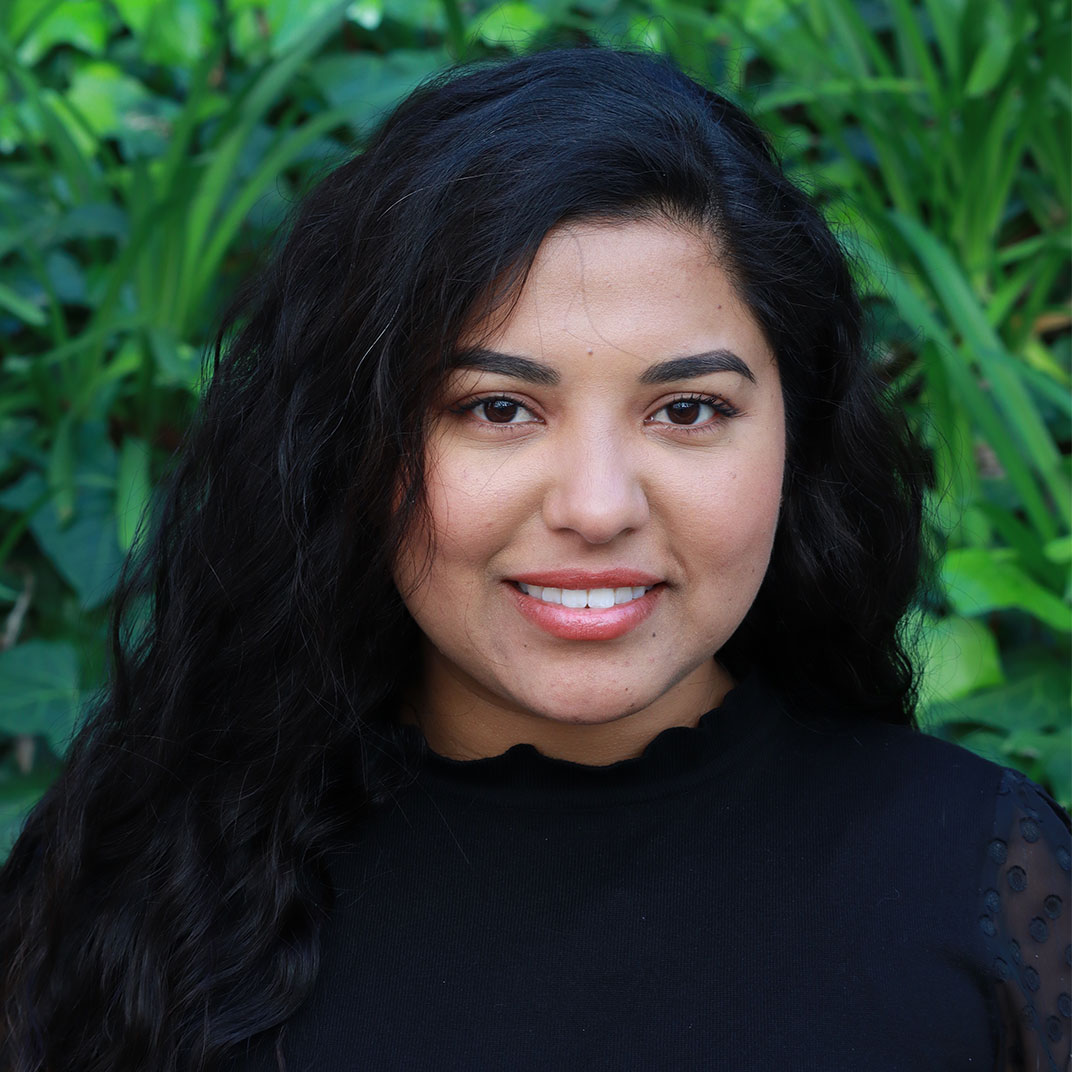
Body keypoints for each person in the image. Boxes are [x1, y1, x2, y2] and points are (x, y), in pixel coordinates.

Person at [1, 46, 1068, 1072]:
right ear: (352, 447)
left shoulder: (988, 881)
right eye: (498, 408)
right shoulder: (124, 895)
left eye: (688, 409)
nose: (596, 506)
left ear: (799, 434)